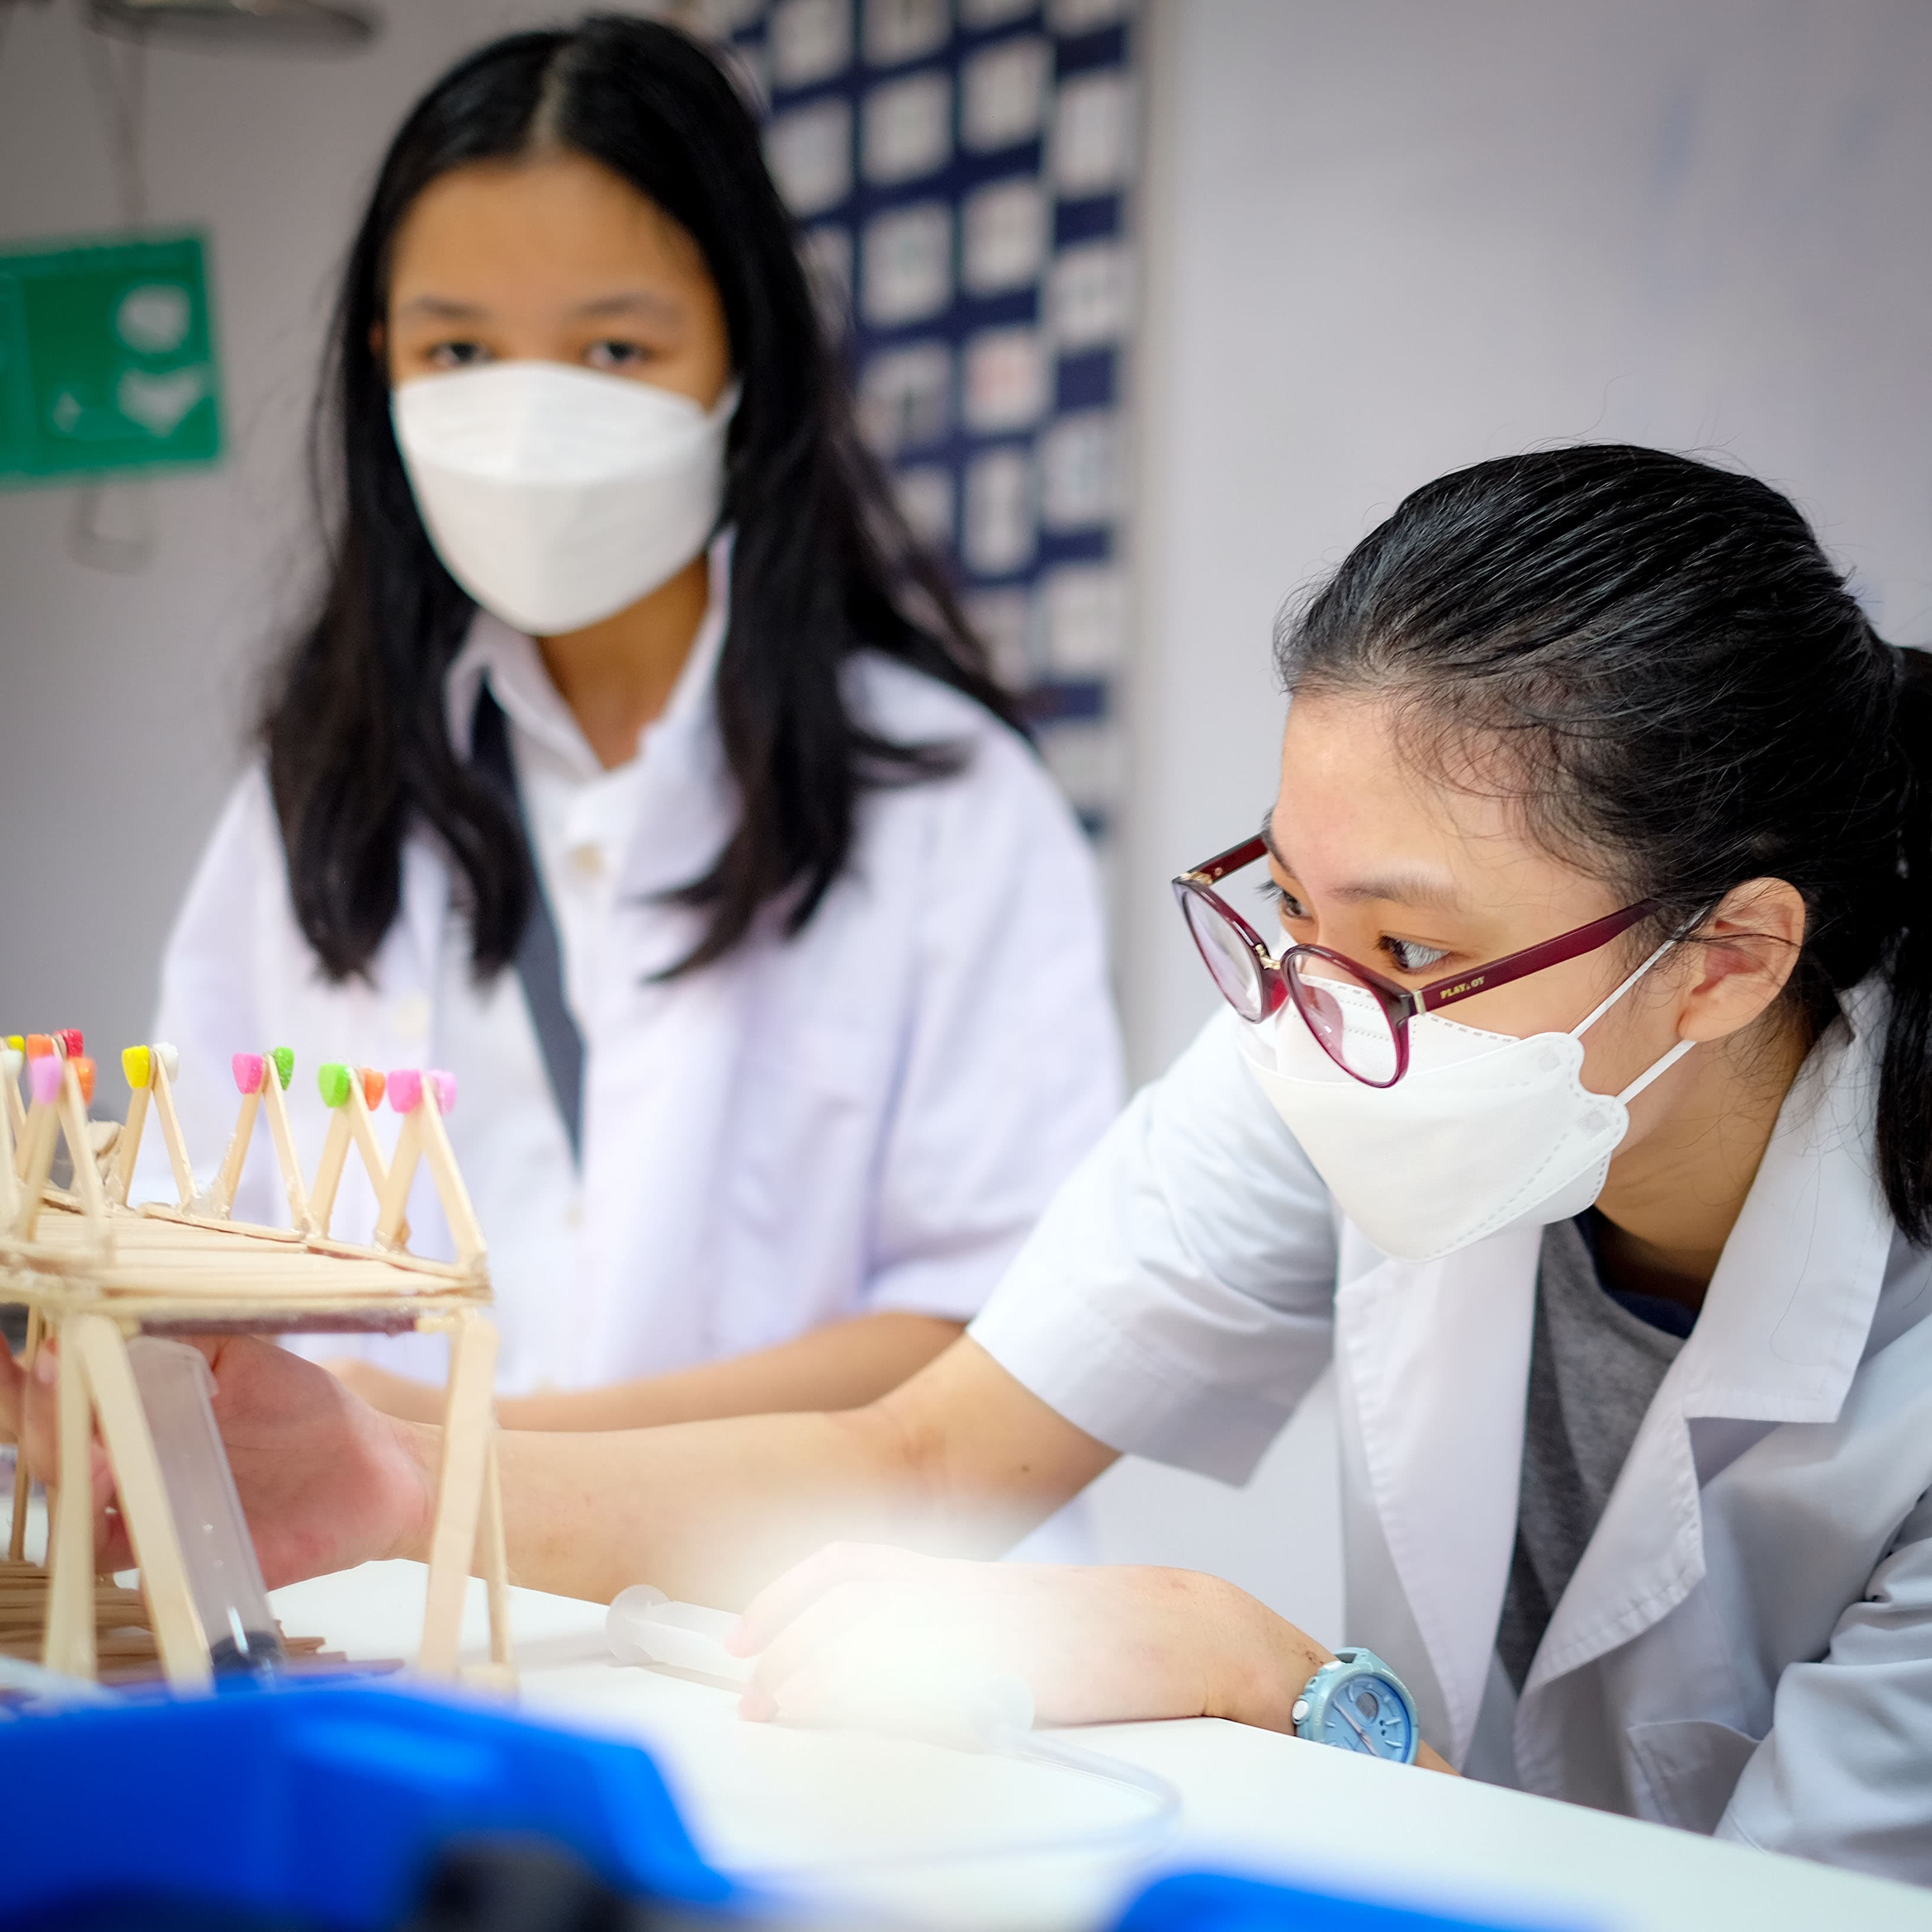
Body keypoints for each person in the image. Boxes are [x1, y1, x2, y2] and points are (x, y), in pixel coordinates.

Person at [22, 446, 1932, 1878]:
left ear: (1731, 956)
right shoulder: (1353, 1043)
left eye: (1410, 951)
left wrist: (1264, 1670)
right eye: (1291, 910)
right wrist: (388, 1470)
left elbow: (1771, 1914)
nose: (1315, 1014)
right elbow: (923, 1450)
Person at [136, 17, 1121, 1431]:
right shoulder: (319, 797)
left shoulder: (950, 802)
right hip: (385, 1631)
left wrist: (441, 1453)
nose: (530, 424)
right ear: (382, 370)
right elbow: (192, 1246)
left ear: (742, 360)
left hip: (807, 1627)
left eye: (613, 348)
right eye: (460, 349)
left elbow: (995, 1332)